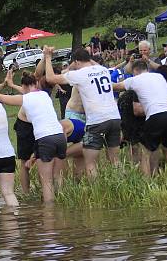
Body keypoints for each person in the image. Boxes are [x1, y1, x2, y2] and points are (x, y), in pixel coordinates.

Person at [0, 72, 67, 202]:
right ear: (36, 84)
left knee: (46, 183)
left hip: (45, 139)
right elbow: (28, 91)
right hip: (60, 136)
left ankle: (49, 216)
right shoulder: (45, 95)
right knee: (57, 177)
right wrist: (13, 85)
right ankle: (62, 207)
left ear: (23, 87)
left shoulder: (26, 99)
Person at [44, 46, 121, 177]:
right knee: (115, 160)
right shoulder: (103, 70)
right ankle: (120, 187)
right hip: (115, 118)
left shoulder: (80, 74)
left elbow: (50, 78)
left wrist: (47, 57)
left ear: (77, 62)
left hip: (97, 121)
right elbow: (92, 63)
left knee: (90, 162)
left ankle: (96, 193)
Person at [113, 60, 167, 176]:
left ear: (135, 71)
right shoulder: (159, 76)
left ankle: (147, 181)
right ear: (147, 68)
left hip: (155, 115)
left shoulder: (134, 80)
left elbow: (117, 87)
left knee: (146, 152)